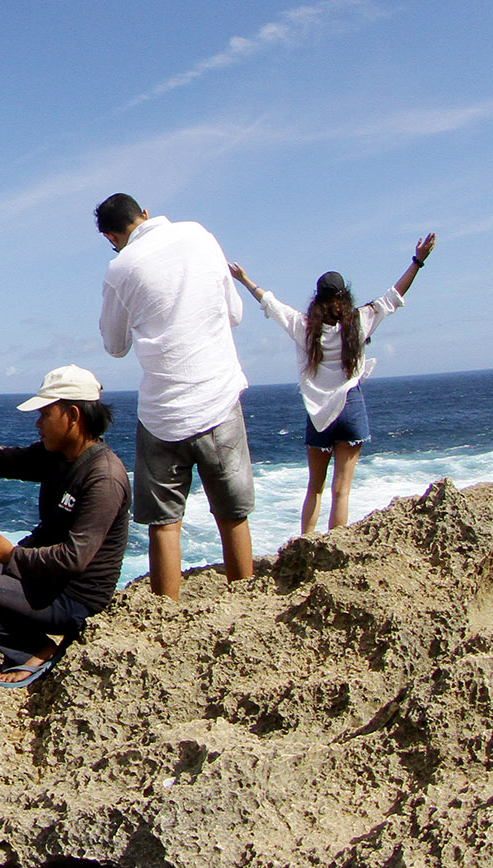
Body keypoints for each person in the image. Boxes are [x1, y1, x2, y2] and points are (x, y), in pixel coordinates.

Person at [0, 365, 130, 688]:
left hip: (72, 598)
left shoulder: (104, 476)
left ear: (73, 416)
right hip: (45, 581)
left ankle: (37, 651)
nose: (38, 423)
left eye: (45, 414)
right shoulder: (58, 456)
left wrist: (11, 557)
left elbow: (74, 559)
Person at [96, 192, 254, 600]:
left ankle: (166, 617)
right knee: (233, 517)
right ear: (144, 213)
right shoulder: (200, 234)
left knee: (164, 525)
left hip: (162, 413)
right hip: (218, 399)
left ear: (112, 236)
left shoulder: (121, 267)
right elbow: (234, 313)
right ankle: (246, 604)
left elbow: (115, 345)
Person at [230, 233, 436, 534]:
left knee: (315, 488)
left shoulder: (304, 327)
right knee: (342, 491)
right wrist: (418, 261)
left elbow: (271, 303)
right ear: (344, 296)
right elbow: (394, 295)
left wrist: (245, 279)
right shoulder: (360, 321)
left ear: (318, 297)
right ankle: (333, 548)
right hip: (351, 408)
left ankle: (305, 544)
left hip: (319, 415)